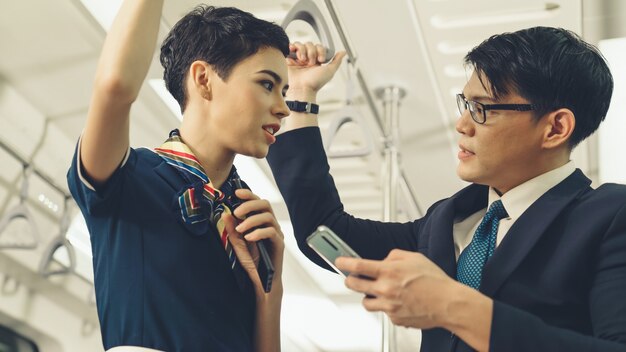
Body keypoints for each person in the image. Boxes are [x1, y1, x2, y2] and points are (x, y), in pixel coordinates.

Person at [267, 26, 626, 351]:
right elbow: (326, 235)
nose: (462, 124)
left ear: (555, 128)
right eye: (466, 104)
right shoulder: (446, 221)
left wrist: (455, 307)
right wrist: (300, 96)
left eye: (483, 109)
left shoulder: (610, 217)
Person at [66, 1, 341, 350]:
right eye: (267, 84)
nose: (283, 108)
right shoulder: (127, 180)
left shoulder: (246, 216)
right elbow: (115, 87)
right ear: (203, 80)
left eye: (284, 92)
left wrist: (271, 284)